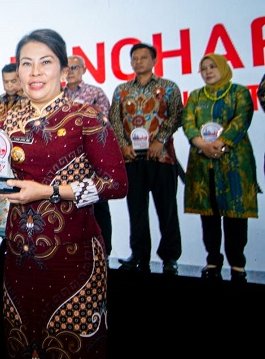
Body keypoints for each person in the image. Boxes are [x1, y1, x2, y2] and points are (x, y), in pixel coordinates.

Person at [2, 29, 128, 358]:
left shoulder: (87, 117)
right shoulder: (6, 122)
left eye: (45, 62)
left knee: (72, 348)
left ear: (63, 69)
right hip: (19, 257)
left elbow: (116, 183)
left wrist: (51, 191)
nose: (35, 72)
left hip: (74, 257)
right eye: (26, 63)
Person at [182, 54, 260, 282]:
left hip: (234, 161)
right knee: (209, 213)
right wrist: (202, 144)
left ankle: (237, 265)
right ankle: (213, 261)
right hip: (202, 160)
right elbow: (188, 122)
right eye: (204, 68)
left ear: (224, 68)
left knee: (235, 214)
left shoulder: (239, 92)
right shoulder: (196, 96)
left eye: (212, 67)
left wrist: (221, 144)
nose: (208, 71)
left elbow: (242, 119)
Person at [109, 42, 184, 275]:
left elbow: (176, 115)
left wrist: (160, 140)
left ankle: (170, 257)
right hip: (132, 159)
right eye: (135, 58)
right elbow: (115, 119)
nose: (138, 61)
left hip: (162, 157)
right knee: (137, 210)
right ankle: (139, 254)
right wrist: (123, 145)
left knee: (167, 209)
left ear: (154, 61)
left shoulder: (168, 87)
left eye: (143, 57)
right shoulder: (121, 90)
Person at [63, 55, 114, 255]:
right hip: (64, 162)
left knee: (98, 205)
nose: (70, 71)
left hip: (90, 159)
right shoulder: (56, 95)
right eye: (67, 68)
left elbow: (101, 121)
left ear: (84, 70)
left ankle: (104, 252)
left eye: (75, 67)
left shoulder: (95, 93)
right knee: (68, 208)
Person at [0, 63, 28, 246]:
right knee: (3, 198)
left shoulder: (29, 100)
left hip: (24, 158)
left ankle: (22, 240)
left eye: (13, 81)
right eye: (6, 81)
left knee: (23, 199)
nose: (10, 85)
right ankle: (5, 240)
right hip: (1, 159)